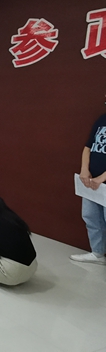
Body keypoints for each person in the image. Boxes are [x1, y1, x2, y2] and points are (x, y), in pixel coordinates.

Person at [71, 98, 106, 265]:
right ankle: (97, 253)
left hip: (101, 181)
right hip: (92, 183)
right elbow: (88, 147)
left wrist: (102, 178)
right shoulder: (102, 119)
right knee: (91, 217)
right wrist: (84, 169)